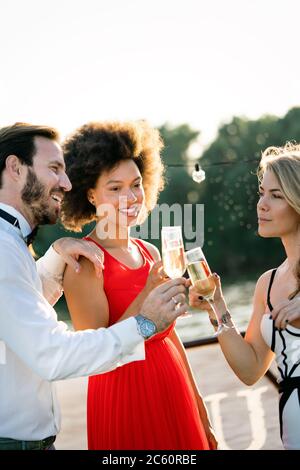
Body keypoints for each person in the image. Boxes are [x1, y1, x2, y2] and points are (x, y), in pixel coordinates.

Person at [0, 122, 187, 451]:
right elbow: (54, 354)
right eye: (55, 169)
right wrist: (145, 321)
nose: (66, 182)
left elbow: (18, 311)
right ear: (15, 168)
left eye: (136, 184)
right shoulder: (4, 248)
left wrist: (53, 257)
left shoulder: (12, 244)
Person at [61, 120, 217, 450]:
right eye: (114, 188)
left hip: (172, 386)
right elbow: (94, 353)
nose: (130, 197)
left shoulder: (151, 252)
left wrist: (199, 405)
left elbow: (171, 335)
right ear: (90, 193)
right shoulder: (84, 262)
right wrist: (146, 294)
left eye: (135, 184)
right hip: (123, 396)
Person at [189, 142, 300, 450]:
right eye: (262, 192)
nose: (262, 204)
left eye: (276, 195)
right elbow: (251, 369)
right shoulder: (268, 283)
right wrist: (216, 306)